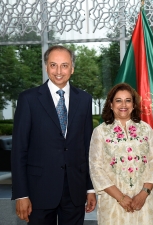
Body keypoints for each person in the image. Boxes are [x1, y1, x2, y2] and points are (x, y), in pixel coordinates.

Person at [11, 45, 96, 224]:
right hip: (38, 191)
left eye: (64, 65)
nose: (59, 71)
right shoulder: (28, 99)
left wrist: (90, 189)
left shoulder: (84, 99)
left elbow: (88, 147)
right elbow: (19, 150)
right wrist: (21, 194)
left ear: (72, 69)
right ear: (46, 67)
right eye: (53, 65)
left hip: (75, 190)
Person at [89, 83, 153, 224]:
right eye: (118, 100)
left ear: (134, 105)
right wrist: (121, 198)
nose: (124, 104)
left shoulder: (146, 130)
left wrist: (143, 194)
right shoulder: (100, 132)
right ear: (111, 104)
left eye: (128, 100)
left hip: (144, 202)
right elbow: (96, 169)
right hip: (113, 203)